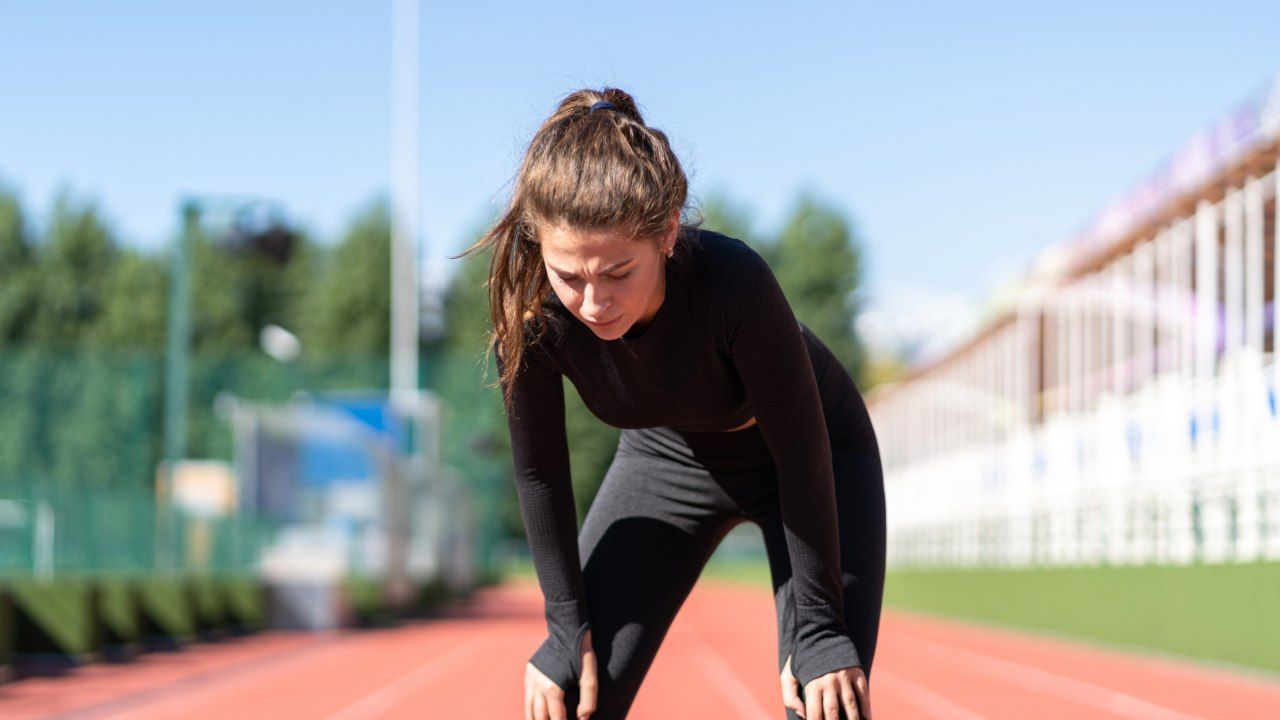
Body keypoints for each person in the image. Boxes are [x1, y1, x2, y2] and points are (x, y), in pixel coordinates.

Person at [460, 87, 886, 720]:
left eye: (618, 272)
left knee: (825, 699)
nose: (594, 302)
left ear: (666, 231)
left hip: (805, 456)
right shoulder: (529, 310)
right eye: (570, 276)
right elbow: (539, 470)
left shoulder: (734, 283)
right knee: (573, 694)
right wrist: (562, 624)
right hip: (668, 455)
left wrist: (820, 631)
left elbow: (801, 454)